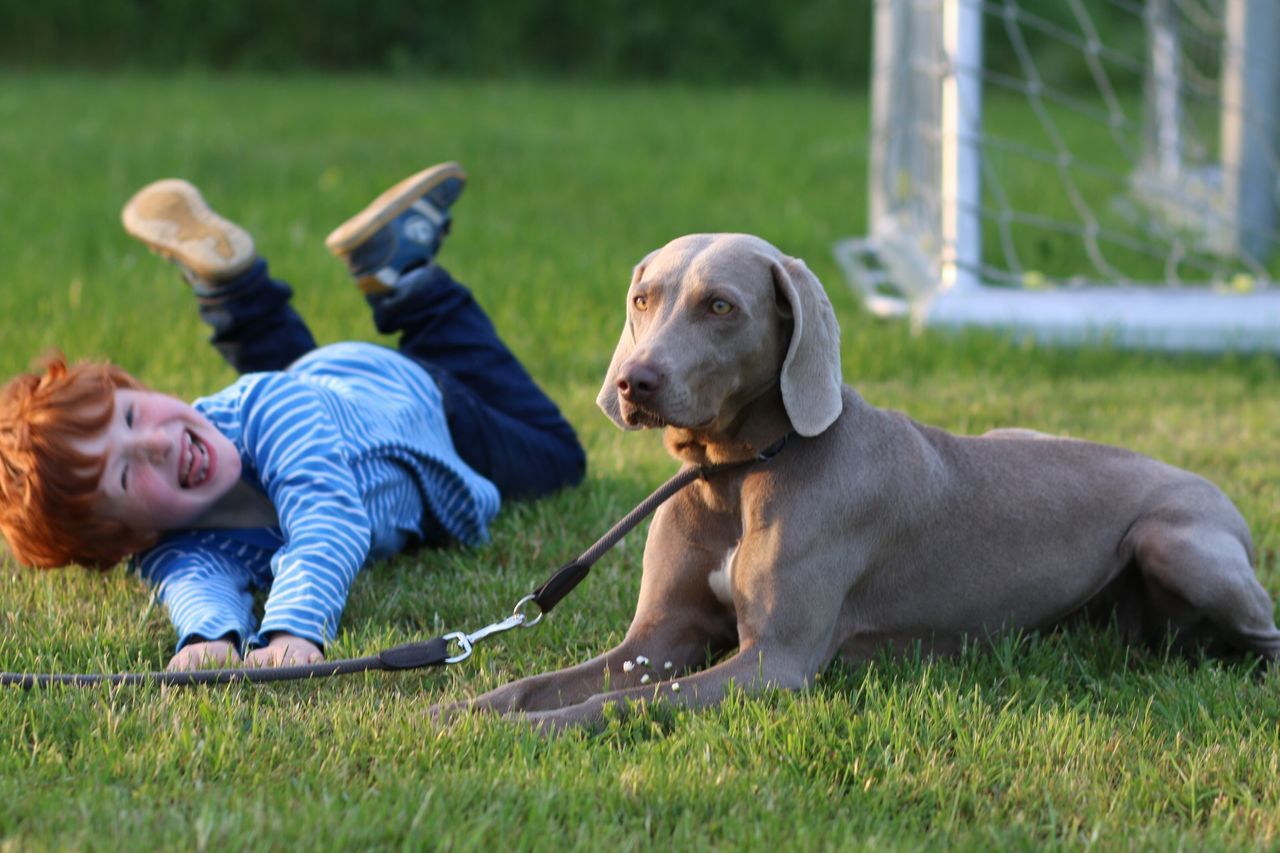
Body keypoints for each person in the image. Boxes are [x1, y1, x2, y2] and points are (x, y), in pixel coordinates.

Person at [0, 162, 586, 670]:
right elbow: (193, 581)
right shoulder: (167, 542)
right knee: (286, 387)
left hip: (414, 404)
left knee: (556, 458)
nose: (152, 443)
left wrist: (292, 629)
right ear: (127, 537)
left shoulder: (268, 408)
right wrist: (209, 636)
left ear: (135, 387)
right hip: (317, 392)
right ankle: (231, 287)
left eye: (130, 416)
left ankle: (405, 278)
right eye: (125, 475)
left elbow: (326, 518)